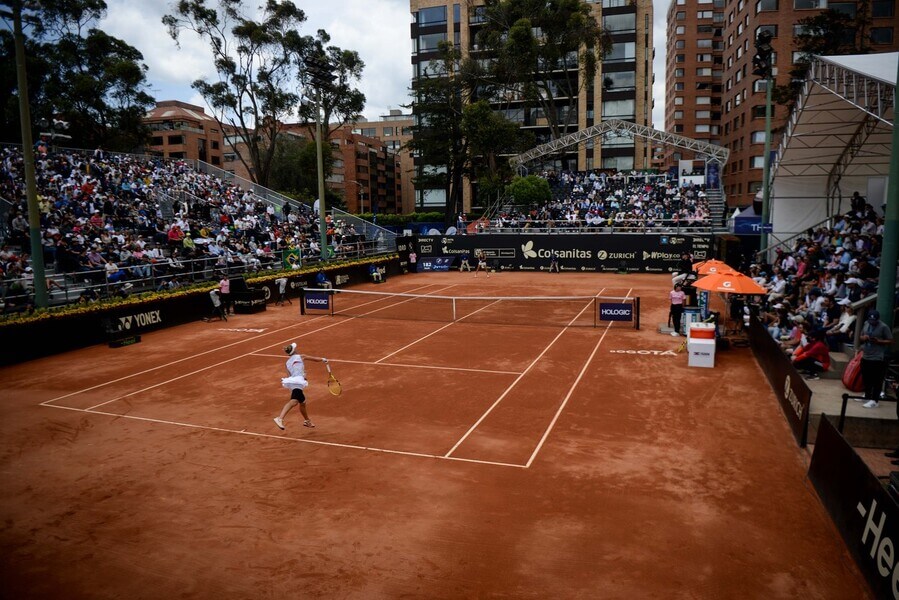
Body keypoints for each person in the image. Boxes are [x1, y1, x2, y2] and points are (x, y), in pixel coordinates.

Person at [273, 343, 328, 430]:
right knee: (294, 402)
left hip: (293, 383)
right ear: (294, 350)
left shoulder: (287, 363)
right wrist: (323, 359)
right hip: (297, 383)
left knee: (302, 402)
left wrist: (302, 377)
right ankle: (280, 418)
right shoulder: (301, 356)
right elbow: (315, 359)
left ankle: (307, 421)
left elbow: (289, 376)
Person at [858, 309, 893, 408]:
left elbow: (890, 341)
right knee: (866, 377)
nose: (872, 322)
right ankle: (867, 395)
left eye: (874, 321)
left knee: (876, 379)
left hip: (877, 357)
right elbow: (860, 336)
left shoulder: (883, 327)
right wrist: (863, 338)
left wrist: (879, 341)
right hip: (866, 354)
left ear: (878, 319)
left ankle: (875, 400)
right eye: (870, 320)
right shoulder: (866, 323)